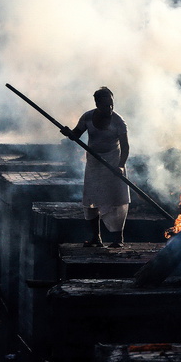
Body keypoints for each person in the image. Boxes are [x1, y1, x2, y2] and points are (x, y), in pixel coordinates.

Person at [61, 87, 130, 248]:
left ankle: (118, 239)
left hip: (113, 163)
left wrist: (120, 166)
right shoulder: (87, 117)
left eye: (111, 104)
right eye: (106, 105)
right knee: (91, 199)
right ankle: (96, 238)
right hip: (94, 163)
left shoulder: (119, 121)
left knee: (116, 200)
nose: (110, 108)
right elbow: (76, 135)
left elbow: (125, 147)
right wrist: (68, 133)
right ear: (97, 104)